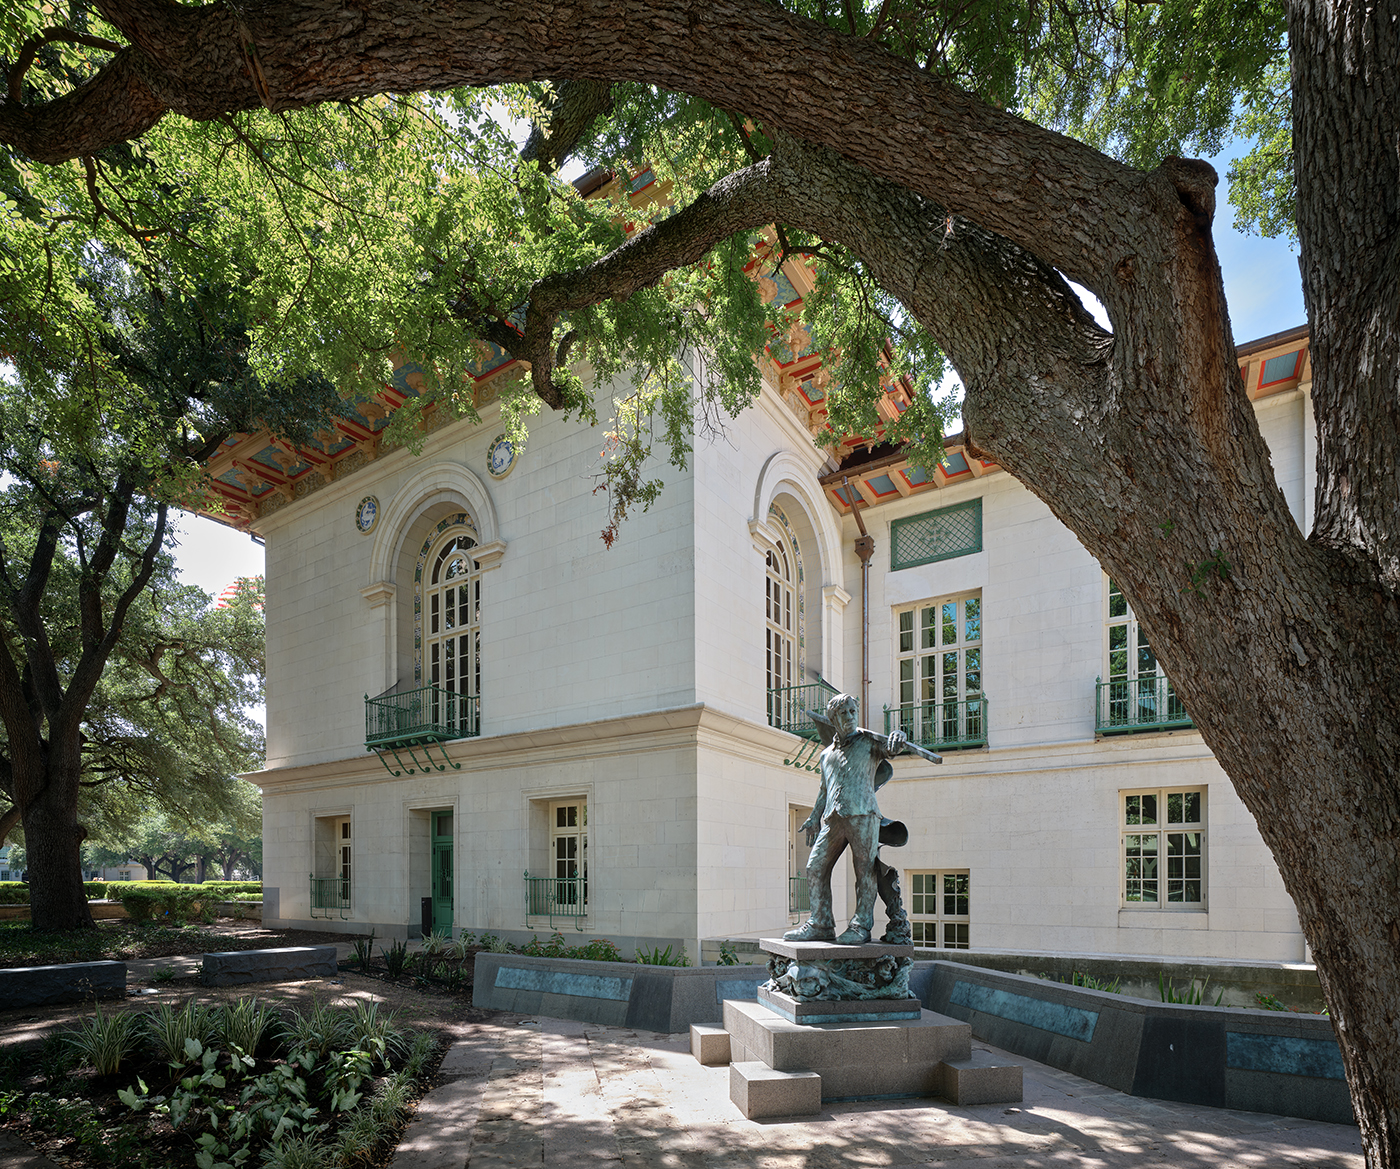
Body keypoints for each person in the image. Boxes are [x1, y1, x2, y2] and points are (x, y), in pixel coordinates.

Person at [785, 692, 930, 945]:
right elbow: (824, 789)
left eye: (853, 711)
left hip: (863, 814)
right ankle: (821, 923)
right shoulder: (826, 754)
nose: (850, 717)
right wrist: (813, 817)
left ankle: (861, 925)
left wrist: (898, 737)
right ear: (833, 718)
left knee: (864, 871)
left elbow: (891, 747)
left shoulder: (869, 742)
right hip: (834, 817)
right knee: (815, 867)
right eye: (844, 713)